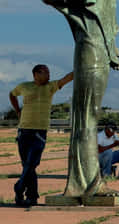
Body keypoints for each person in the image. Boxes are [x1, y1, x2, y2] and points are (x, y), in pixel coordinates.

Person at [41, 0, 119, 200]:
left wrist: (112, 47)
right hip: (88, 46)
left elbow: (106, 11)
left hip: (102, 47)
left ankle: (90, 181)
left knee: (93, 114)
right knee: (86, 115)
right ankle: (86, 184)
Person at [8, 65, 73, 207]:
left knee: (32, 163)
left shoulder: (50, 87)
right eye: (46, 73)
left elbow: (66, 79)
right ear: (36, 74)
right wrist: (18, 110)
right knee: (27, 166)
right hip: (23, 131)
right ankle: (31, 197)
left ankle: (19, 186)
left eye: (49, 73)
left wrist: (80, 68)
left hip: (39, 132)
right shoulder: (24, 86)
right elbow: (12, 94)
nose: (49, 75)